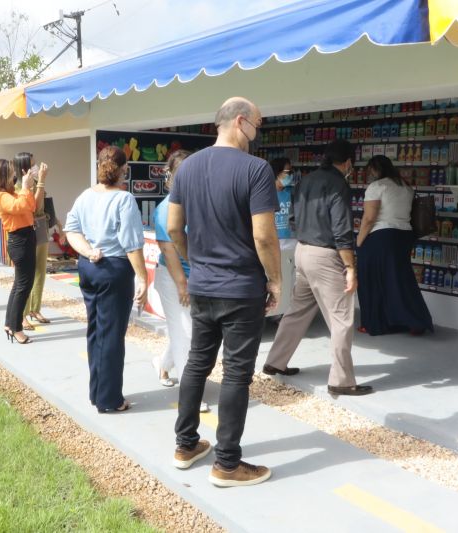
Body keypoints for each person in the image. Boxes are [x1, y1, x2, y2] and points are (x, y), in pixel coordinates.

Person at [168, 97, 281, 487]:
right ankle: (227, 464)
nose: (257, 133)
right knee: (236, 374)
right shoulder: (256, 170)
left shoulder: (187, 168)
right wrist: (276, 279)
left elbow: (171, 228)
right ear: (240, 121)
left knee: (197, 364)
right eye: (257, 125)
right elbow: (264, 236)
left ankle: (185, 445)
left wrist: (192, 260)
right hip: (241, 288)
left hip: (202, 285)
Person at [262, 138, 374, 397]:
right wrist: (350, 267)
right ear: (347, 162)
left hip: (303, 252)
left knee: (297, 311)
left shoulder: (306, 181)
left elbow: (292, 217)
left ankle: (275, 361)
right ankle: (341, 381)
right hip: (326, 256)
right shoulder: (338, 185)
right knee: (342, 319)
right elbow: (342, 230)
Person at [65, 146, 147, 414]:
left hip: (89, 268)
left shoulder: (85, 196)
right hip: (115, 270)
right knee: (111, 335)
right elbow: (132, 244)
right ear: (124, 169)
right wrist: (143, 278)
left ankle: (97, 392)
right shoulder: (124, 199)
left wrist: (88, 251)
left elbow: (71, 230)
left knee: (96, 330)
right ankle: (110, 399)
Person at [152, 150, 211, 413]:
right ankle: (192, 397)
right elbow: (168, 251)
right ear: (172, 176)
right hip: (174, 278)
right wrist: (181, 284)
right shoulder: (166, 209)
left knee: (187, 331)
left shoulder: (199, 202)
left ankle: (163, 364)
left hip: (196, 276)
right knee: (186, 333)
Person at [356, 155, 433, 335]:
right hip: (404, 236)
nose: (370, 174)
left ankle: (373, 323)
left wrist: (359, 242)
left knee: (371, 280)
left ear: (375, 169)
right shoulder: (405, 187)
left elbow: (369, 219)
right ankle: (415, 320)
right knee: (400, 280)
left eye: (370, 170)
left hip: (382, 236)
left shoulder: (377, 187)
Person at [0, 159, 47, 343]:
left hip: (26, 237)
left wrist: (33, 184)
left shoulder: (12, 193)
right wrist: (26, 187)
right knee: (23, 286)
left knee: (19, 285)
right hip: (19, 240)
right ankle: (16, 328)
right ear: (2, 175)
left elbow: (31, 206)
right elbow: (19, 207)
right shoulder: (1, 196)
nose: (14, 175)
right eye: (10, 172)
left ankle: (10, 324)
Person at [11, 152, 66, 331]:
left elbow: (43, 206)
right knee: (27, 274)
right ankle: (23, 314)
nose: (36, 168)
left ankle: (35, 309)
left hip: (41, 226)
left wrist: (57, 222)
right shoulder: (19, 186)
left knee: (41, 270)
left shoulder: (35, 182)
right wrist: (41, 180)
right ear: (23, 168)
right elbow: (32, 206)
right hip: (28, 229)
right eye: (32, 165)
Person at [270, 157, 297, 250]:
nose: (291, 175)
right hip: (273, 241)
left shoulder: (294, 192)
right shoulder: (265, 194)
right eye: (287, 172)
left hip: (292, 241)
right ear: (277, 173)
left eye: (291, 172)